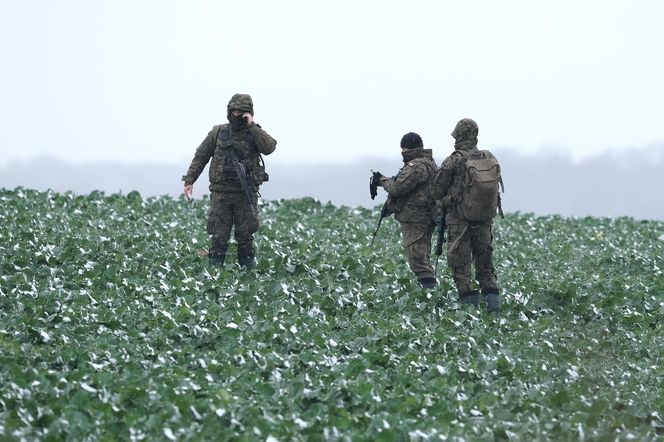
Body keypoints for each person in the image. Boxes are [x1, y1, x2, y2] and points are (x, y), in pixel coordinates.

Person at [182, 93, 277, 267]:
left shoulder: (254, 132)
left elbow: (269, 147)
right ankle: (213, 277)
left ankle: (248, 278)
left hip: (244, 196)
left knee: (246, 238)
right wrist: (189, 180)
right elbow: (201, 157)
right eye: (235, 111)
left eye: (243, 112)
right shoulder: (218, 132)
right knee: (218, 237)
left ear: (249, 113)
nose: (238, 115)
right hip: (221, 195)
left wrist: (253, 126)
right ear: (229, 111)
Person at [431, 118, 502, 311]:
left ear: (459, 135)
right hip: (484, 219)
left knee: (460, 267)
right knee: (485, 265)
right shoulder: (488, 157)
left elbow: (436, 191)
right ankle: (494, 311)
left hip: (458, 220)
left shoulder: (454, 159)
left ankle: (470, 314)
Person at [373, 132, 438, 288]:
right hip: (424, 217)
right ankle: (431, 296)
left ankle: (429, 297)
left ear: (406, 149)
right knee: (422, 258)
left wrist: (382, 180)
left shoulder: (417, 166)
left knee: (418, 261)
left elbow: (397, 188)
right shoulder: (429, 163)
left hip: (416, 219)